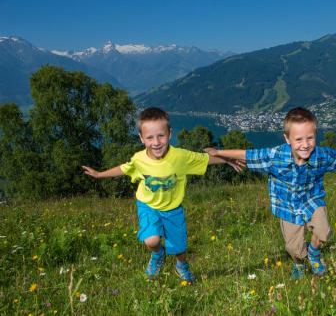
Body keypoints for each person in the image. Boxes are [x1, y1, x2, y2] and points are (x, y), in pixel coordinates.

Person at [205, 107, 336, 279]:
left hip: (312, 200)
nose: (305, 145)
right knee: (295, 249)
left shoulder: (321, 156)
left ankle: (314, 255)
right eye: (298, 139)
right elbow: (248, 155)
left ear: (316, 136)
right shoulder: (275, 156)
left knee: (324, 231)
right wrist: (219, 152)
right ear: (287, 139)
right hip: (287, 206)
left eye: (310, 138)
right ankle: (299, 262)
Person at [82, 107, 241, 283]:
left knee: (179, 246)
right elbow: (124, 168)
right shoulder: (139, 159)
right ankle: (158, 254)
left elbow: (206, 159)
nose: (156, 142)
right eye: (149, 137)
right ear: (141, 138)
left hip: (173, 209)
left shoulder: (180, 156)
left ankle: (181, 265)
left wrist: (228, 159)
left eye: (161, 136)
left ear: (170, 133)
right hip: (148, 205)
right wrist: (99, 174)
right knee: (151, 240)